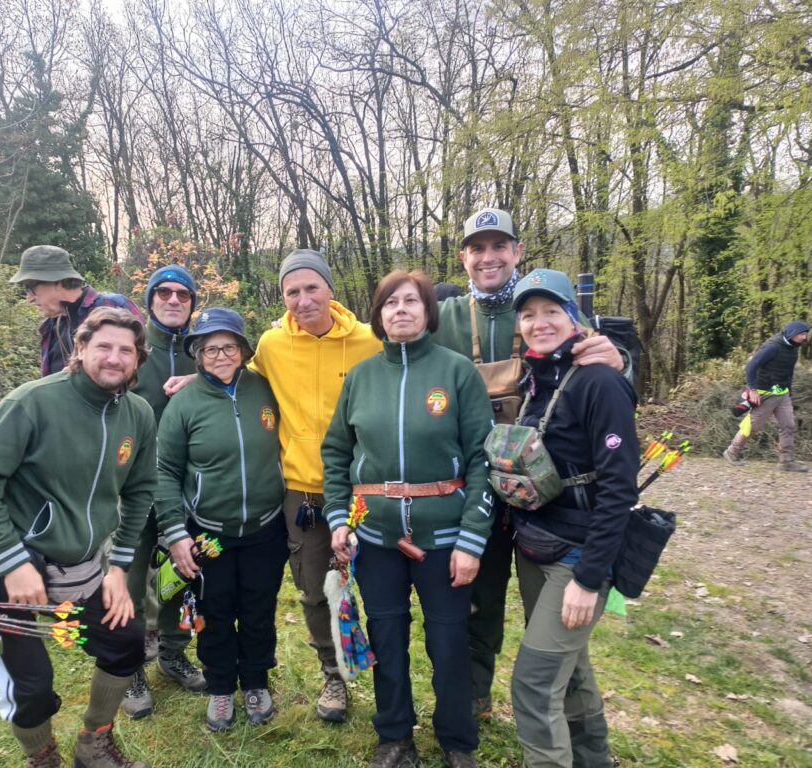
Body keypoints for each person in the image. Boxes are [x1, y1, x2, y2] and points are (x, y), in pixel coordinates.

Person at [434, 207, 624, 720]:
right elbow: (395, 347)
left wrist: (622, 359)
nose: (488, 257)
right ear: (464, 257)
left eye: (500, 246)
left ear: (517, 251)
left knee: (554, 615)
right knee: (476, 599)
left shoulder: (546, 307)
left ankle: (572, 715)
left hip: (547, 501)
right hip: (475, 488)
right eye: (478, 248)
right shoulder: (446, 318)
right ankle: (475, 699)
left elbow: (612, 370)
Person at [0, 307, 156, 768]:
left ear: (137, 361)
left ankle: (94, 744)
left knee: (123, 641)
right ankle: (42, 757)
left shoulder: (138, 414)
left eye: (126, 350)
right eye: (104, 346)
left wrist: (119, 567)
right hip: (16, 575)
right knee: (33, 686)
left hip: (84, 571)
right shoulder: (32, 403)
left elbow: (142, 488)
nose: (114, 357)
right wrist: (13, 563)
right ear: (80, 347)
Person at [323, 270, 495, 768]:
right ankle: (394, 736)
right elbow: (336, 452)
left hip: (445, 538)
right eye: (390, 303)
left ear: (427, 311)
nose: (400, 310)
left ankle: (457, 741)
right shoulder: (360, 377)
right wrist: (340, 519)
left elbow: (483, 460)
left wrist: (471, 541)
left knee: (448, 643)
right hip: (375, 538)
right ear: (377, 315)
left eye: (411, 301)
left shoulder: (458, 372)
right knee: (387, 639)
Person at [504, 269, 638, 768]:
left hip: (577, 560)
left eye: (551, 312)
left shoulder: (599, 382)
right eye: (529, 314)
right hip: (536, 547)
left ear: (573, 317)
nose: (539, 323)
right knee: (572, 670)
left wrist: (589, 576)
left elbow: (619, 489)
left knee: (534, 686)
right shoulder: (536, 378)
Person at [247, 249, 383, 722]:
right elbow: (237, 383)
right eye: (292, 292)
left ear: (330, 289)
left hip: (365, 490)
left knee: (379, 585)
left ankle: (387, 673)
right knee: (313, 590)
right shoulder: (271, 345)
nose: (302, 300)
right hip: (302, 493)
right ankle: (333, 675)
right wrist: (193, 382)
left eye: (311, 288)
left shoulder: (369, 340)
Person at [154, 308, 288, 732]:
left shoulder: (264, 390)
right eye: (209, 348)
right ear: (197, 354)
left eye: (228, 346)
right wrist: (176, 532)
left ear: (244, 350)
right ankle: (219, 688)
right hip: (208, 534)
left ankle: (255, 682)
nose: (220, 356)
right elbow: (165, 471)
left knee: (257, 609)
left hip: (265, 528)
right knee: (213, 610)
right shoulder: (184, 405)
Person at [122, 265, 206, 719]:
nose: (174, 301)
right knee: (132, 585)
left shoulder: (202, 352)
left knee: (179, 575)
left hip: (188, 492)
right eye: (165, 293)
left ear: (193, 303)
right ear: (151, 298)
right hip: (134, 491)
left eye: (183, 295)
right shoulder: (133, 350)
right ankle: (130, 668)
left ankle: (173, 652)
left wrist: (198, 378)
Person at [9, 244, 145, 375]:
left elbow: (141, 365)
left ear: (57, 282)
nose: (29, 299)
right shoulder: (51, 326)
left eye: (30, 289)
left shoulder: (112, 305)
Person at [723, 321, 809, 472]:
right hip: (765, 394)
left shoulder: (794, 348)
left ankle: (786, 462)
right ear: (792, 333)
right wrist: (753, 390)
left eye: (805, 334)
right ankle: (732, 452)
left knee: (788, 425)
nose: (805, 337)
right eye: (802, 334)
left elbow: (788, 371)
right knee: (753, 426)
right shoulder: (772, 346)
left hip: (782, 394)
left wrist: (788, 391)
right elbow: (751, 366)